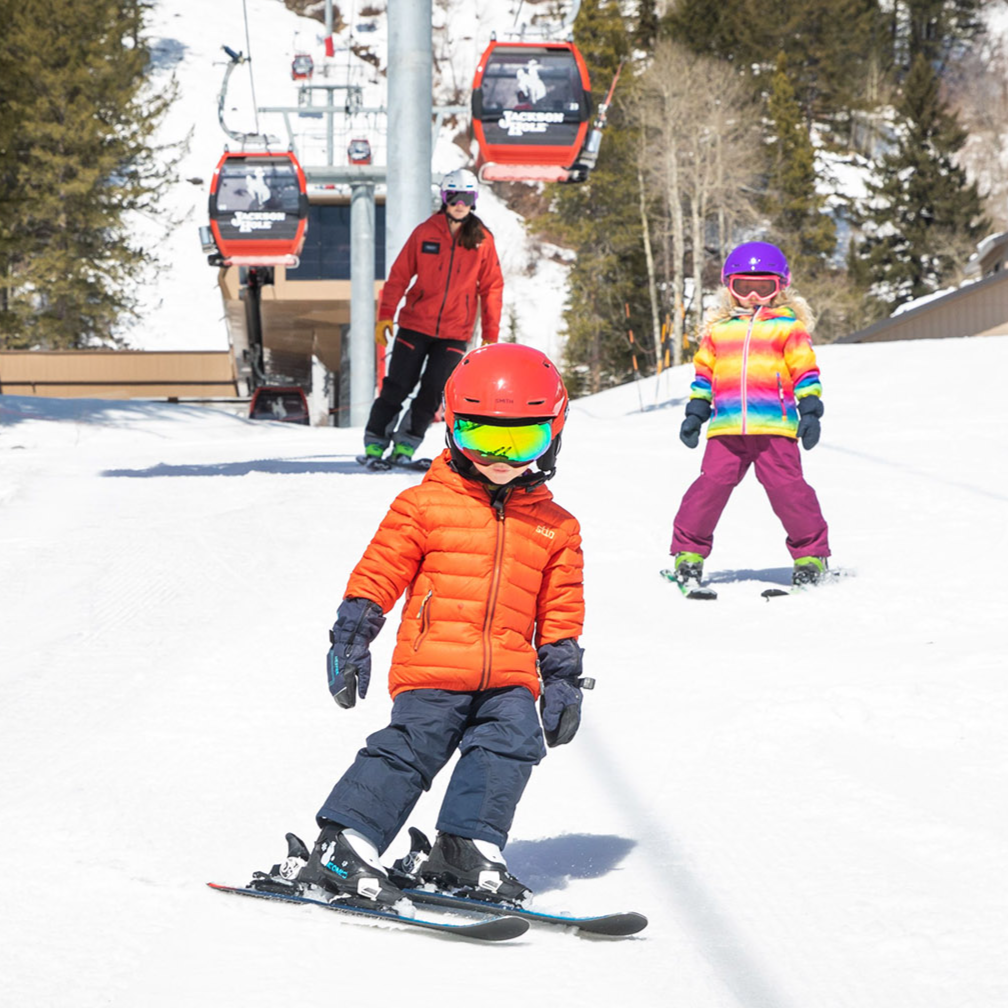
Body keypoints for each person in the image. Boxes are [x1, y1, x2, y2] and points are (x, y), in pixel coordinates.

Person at [298, 342, 587, 906]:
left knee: (514, 743)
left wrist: (563, 679)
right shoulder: (422, 505)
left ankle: (465, 848)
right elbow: (378, 573)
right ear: (453, 430)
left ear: (553, 436)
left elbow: (561, 609)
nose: (500, 457)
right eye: (482, 437)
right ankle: (342, 845)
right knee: (413, 747)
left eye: (522, 441)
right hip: (434, 665)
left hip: (508, 675)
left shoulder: (558, 527)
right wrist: (352, 637)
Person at [669, 241, 831, 589]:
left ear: (780, 287)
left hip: (775, 426)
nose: (753, 296)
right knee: (709, 489)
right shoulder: (719, 330)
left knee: (789, 490)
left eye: (764, 288)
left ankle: (811, 555)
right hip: (726, 427)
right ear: (730, 288)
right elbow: (704, 377)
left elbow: (805, 372)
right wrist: (695, 413)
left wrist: (810, 411)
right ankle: (688, 553)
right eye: (744, 287)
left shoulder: (788, 328)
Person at [363, 168, 504, 470]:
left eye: (466, 197)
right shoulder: (425, 232)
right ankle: (375, 442)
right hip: (415, 325)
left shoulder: (482, 240)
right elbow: (399, 276)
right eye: (454, 196)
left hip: (455, 332)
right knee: (397, 386)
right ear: (444, 197)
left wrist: (490, 333)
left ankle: (406, 445)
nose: (460, 204)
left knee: (433, 393)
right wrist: (385, 315)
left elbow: (492, 287)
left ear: (474, 200)